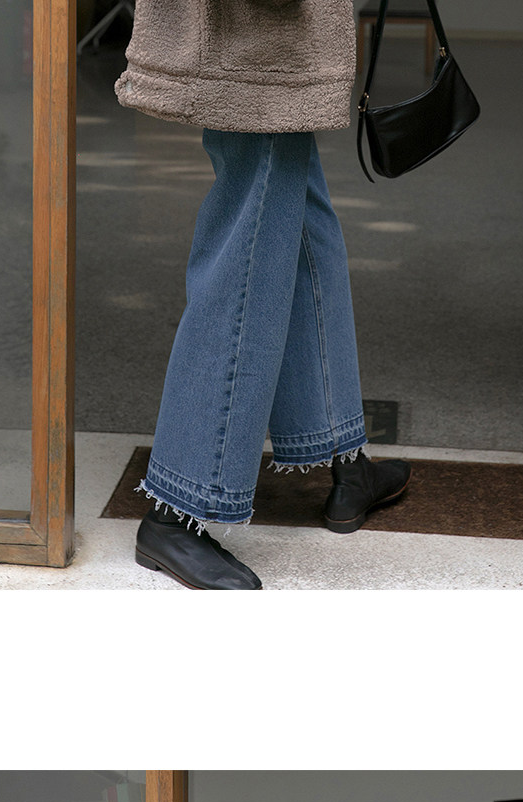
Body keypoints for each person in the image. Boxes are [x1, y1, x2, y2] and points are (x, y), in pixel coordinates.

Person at [115, 1, 412, 591]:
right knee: (248, 258)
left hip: (264, 37)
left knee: (301, 227)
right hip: (256, 33)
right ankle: (176, 510)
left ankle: (345, 461)